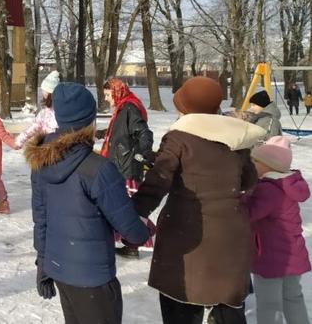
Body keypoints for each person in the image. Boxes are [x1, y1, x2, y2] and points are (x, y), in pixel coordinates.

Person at [131, 76, 266, 324]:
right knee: (228, 309)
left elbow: (158, 182)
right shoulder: (236, 137)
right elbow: (248, 181)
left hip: (187, 233)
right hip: (231, 236)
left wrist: (133, 214)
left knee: (181, 304)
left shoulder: (179, 137)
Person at [25, 82, 150, 324]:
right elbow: (130, 228)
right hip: (94, 277)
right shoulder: (98, 168)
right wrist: (143, 229)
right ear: (89, 119)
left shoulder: (41, 163)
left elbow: (40, 218)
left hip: (60, 269)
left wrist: (43, 262)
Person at [244, 136, 310, 324]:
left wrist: (243, 197)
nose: (253, 165)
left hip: (271, 259)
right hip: (292, 255)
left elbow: (250, 213)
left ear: (267, 165)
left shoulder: (268, 189)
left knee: (269, 303)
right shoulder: (288, 184)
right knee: (293, 298)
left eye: (255, 161)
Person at [99, 78, 155, 258]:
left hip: (127, 165)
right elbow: (120, 134)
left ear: (117, 92)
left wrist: (143, 152)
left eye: (108, 95)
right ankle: (130, 244)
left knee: (127, 208)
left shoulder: (129, 108)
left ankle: (139, 238)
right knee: (124, 207)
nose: (107, 99)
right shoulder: (124, 107)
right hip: (121, 163)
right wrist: (99, 134)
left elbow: (143, 132)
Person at [15, 71, 58, 148]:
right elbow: (35, 126)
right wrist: (21, 139)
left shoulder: (58, 112)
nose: (42, 92)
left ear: (50, 92)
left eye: (44, 90)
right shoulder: (45, 111)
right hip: (44, 148)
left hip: (54, 149)